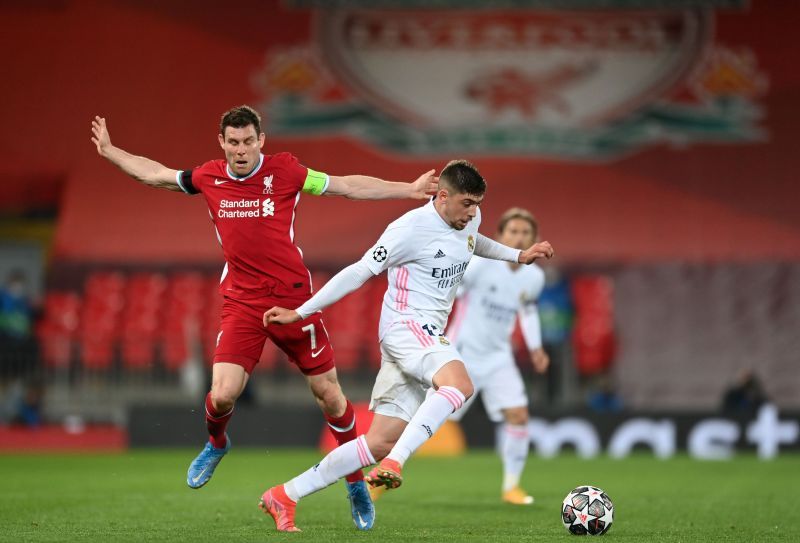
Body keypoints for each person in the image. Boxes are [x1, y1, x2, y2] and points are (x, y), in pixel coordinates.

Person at [90, 105, 438, 530]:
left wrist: (408, 188)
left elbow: (345, 185)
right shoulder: (207, 177)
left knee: (329, 396)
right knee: (221, 396)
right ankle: (217, 443)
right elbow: (156, 173)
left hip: (294, 302)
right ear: (222, 143)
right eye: (232, 142)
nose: (240, 150)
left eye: (247, 141)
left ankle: (354, 483)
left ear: (261, 141)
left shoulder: (287, 172)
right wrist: (112, 152)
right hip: (242, 303)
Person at [260, 160, 554, 532]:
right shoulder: (408, 230)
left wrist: (517, 255)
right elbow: (358, 271)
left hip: (424, 333)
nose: (474, 212)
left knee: (377, 442)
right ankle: (396, 463)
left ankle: (284, 494)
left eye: (478, 204)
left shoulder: (468, 220)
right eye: (467, 204)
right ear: (442, 196)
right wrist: (301, 311)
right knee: (459, 384)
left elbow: (471, 242)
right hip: (406, 326)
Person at [441, 207, 549, 505]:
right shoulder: (480, 265)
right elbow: (449, 291)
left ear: (535, 238)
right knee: (431, 421)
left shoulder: (534, 277)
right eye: (512, 231)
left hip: (499, 357)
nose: (518, 237)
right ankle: (387, 471)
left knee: (519, 415)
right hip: (461, 355)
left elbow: (526, 310)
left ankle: (511, 487)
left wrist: (536, 347)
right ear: (500, 235)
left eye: (525, 232)